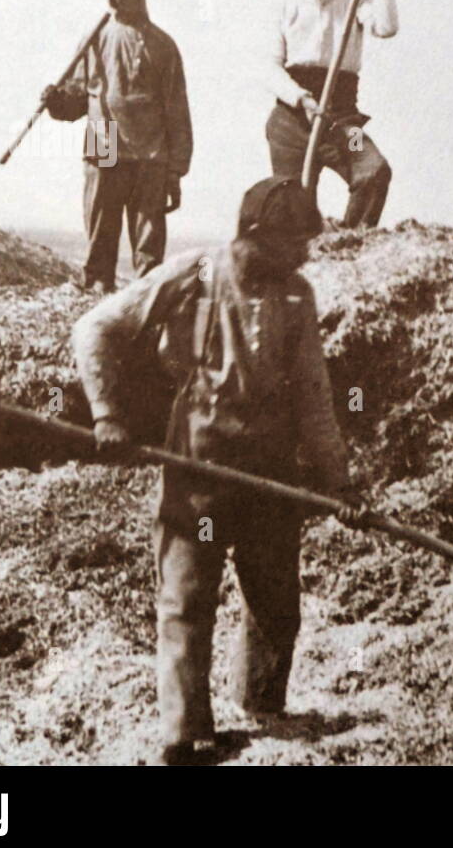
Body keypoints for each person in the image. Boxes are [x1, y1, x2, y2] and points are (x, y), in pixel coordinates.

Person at [71, 176, 366, 766]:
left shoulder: (297, 298)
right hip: (199, 474)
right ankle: (183, 739)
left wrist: (340, 481)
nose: (305, 254)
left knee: (276, 600)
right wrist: (107, 415)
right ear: (259, 237)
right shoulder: (193, 276)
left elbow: (313, 397)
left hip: (268, 480)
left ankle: (261, 711)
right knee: (187, 598)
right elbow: (94, 328)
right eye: (296, 242)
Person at [44, 0, 193, 292]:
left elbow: (177, 111)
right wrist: (57, 101)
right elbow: (77, 99)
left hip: (151, 149)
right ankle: (97, 285)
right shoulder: (97, 38)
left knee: (149, 242)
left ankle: (145, 299)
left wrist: (176, 169)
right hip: (103, 136)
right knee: (101, 228)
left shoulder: (164, 46)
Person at [265, 0, 398, 228]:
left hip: (342, 123)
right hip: (291, 126)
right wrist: (301, 99)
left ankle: (349, 243)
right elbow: (268, 66)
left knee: (373, 171)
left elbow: (387, 26)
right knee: (293, 210)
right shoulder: (284, 2)